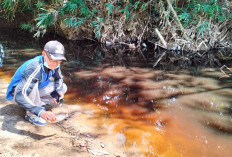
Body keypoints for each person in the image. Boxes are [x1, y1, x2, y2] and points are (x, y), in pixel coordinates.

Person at [6, 40, 67, 126]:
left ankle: (34, 104)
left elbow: (59, 78)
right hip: (17, 94)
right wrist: (40, 112)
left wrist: (58, 91)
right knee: (33, 84)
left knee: (63, 87)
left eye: (59, 61)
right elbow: (20, 95)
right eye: (53, 60)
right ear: (44, 54)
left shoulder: (55, 63)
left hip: (34, 89)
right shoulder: (34, 67)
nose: (55, 64)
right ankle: (31, 115)